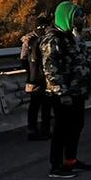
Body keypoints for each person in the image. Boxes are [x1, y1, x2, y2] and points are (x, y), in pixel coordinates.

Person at [40, 1, 91, 178]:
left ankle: (70, 160)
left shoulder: (74, 37)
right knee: (61, 130)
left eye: (80, 16)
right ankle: (56, 166)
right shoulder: (53, 39)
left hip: (77, 92)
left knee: (76, 126)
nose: (80, 19)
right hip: (62, 94)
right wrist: (62, 92)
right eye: (76, 16)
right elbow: (50, 69)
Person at [20, 13, 52, 141]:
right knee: (46, 106)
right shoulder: (46, 39)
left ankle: (32, 130)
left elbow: (23, 59)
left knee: (34, 106)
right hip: (45, 78)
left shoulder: (28, 40)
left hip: (33, 79)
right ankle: (45, 130)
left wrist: (31, 70)